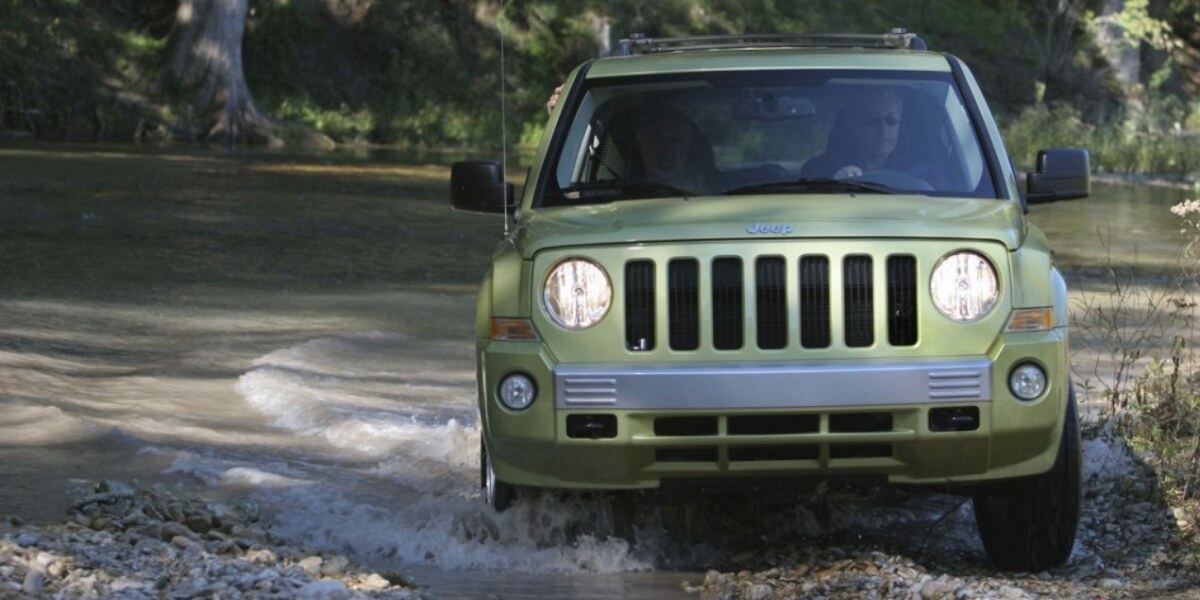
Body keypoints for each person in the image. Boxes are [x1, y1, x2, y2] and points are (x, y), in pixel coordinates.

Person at [799, 87, 907, 180]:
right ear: (853, 125)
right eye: (872, 120)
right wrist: (834, 186)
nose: (883, 129)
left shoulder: (917, 172)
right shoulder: (819, 170)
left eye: (892, 119)